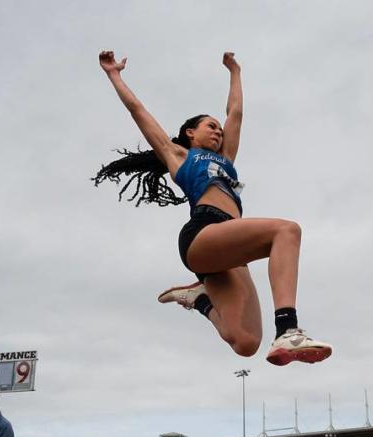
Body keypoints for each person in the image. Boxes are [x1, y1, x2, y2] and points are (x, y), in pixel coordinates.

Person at [95, 50, 332, 367]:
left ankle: (200, 299)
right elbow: (138, 110)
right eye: (211, 126)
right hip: (204, 234)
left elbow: (235, 114)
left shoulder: (226, 160)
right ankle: (288, 328)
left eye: (220, 129)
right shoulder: (179, 156)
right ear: (191, 133)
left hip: (231, 249)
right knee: (286, 231)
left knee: (246, 342)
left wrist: (235, 72)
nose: (219, 131)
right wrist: (114, 74)